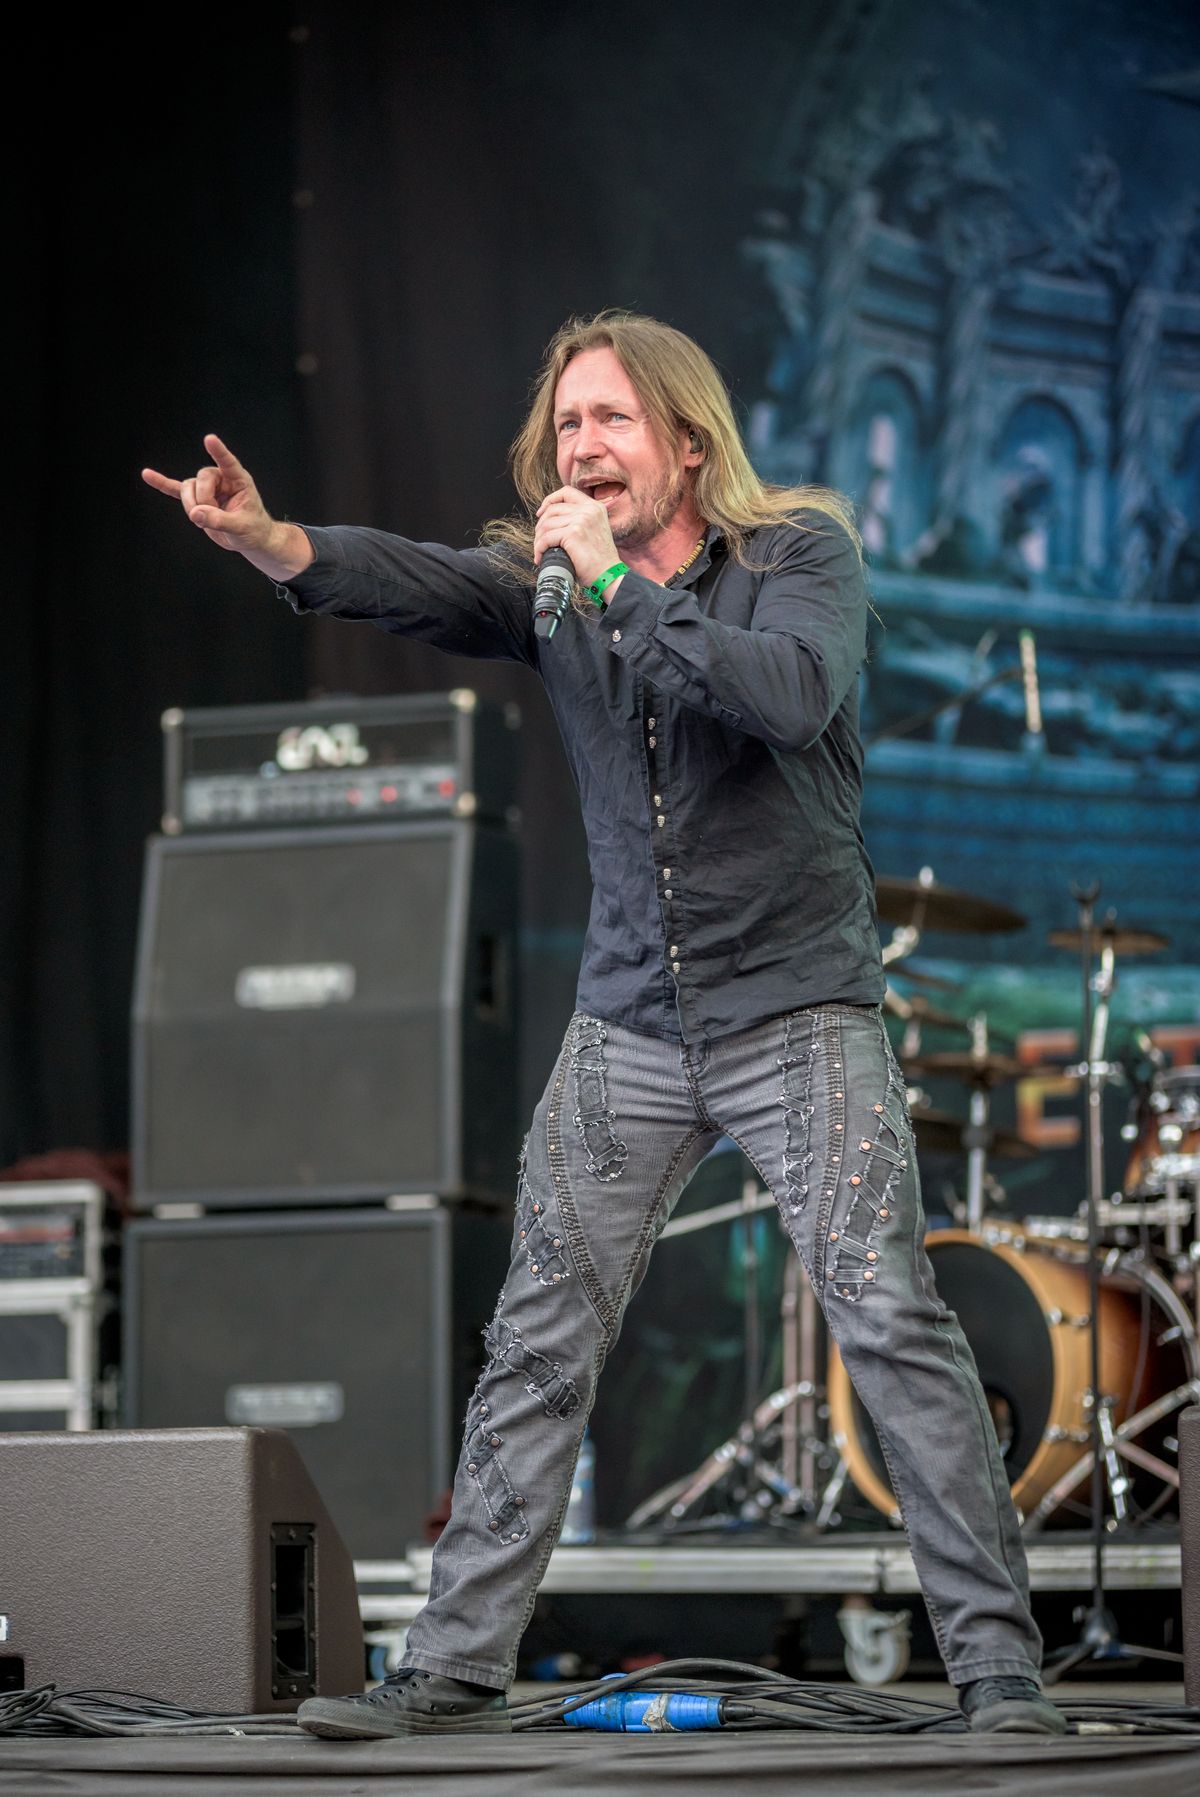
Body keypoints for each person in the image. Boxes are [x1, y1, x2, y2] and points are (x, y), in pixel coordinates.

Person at [143, 311, 1064, 1739]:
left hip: (796, 1005)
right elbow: (420, 579)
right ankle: (453, 1663)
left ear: (685, 442)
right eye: (566, 425)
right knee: (539, 1333)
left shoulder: (797, 557)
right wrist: (275, 543)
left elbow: (784, 695)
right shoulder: (552, 587)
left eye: (610, 420)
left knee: (889, 1317)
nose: (580, 447)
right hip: (632, 1020)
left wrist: (616, 587)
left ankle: (1000, 1671)